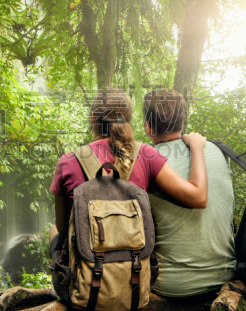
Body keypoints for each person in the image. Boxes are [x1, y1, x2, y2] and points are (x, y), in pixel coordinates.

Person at [48, 87, 209, 264]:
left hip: (86, 275)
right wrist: (196, 146)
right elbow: (198, 197)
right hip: (133, 273)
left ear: (93, 117)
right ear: (128, 120)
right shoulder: (146, 154)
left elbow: (64, 229)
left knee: (53, 231)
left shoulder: (68, 161)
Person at [143, 89, 236, 298]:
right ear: (181, 122)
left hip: (173, 285)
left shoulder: (147, 160)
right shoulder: (216, 150)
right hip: (226, 275)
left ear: (148, 126)